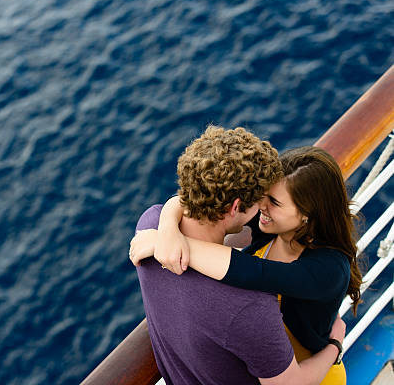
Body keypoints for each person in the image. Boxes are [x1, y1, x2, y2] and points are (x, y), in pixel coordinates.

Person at [132, 127, 345, 385]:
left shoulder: (148, 224)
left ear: (307, 214)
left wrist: (163, 236)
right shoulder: (250, 298)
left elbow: (251, 270)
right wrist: (167, 230)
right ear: (235, 207)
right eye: (260, 198)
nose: (262, 207)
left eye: (273, 202)